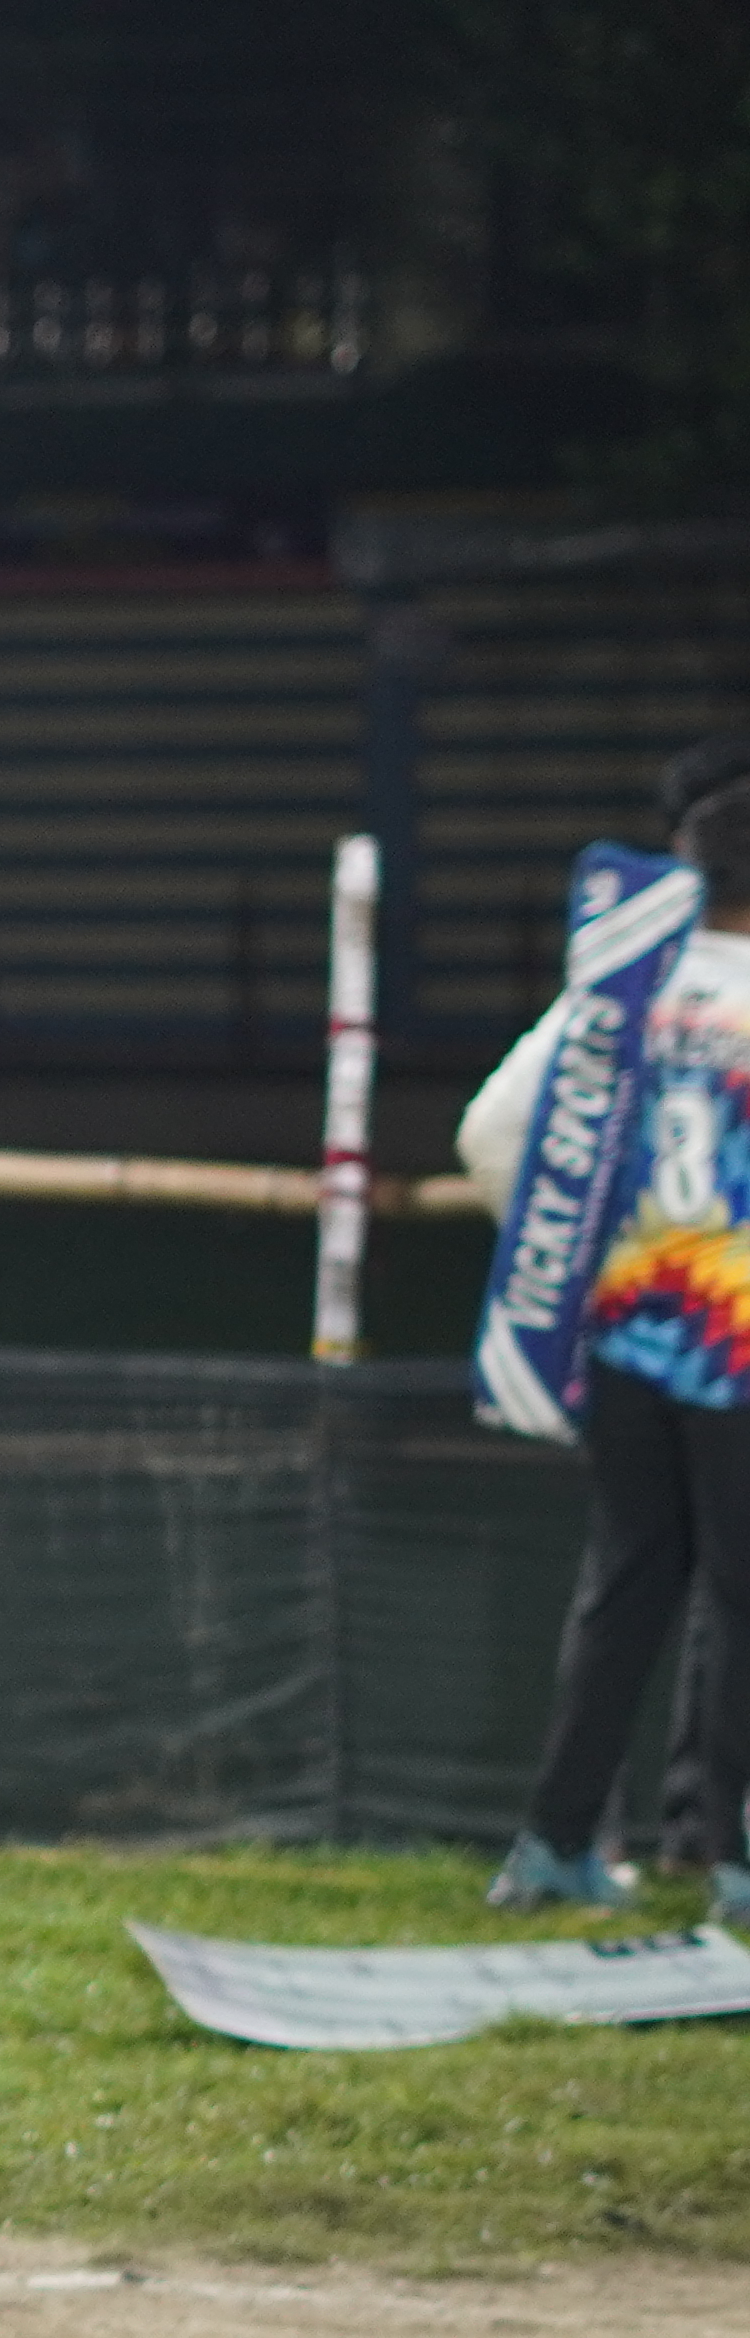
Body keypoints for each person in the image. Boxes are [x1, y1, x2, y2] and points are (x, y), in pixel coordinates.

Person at [474, 739, 750, 1918]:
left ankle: (552, 1845)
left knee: (627, 1585)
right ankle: (735, 1864)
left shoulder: (621, 996)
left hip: (628, 1333)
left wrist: (582, 1259)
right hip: (738, 1346)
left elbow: (493, 1135)